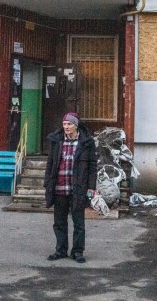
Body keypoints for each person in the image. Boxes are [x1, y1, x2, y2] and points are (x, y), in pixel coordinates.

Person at [44, 112, 97, 263]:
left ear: (76, 125)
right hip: (59, 188)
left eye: (69, 124)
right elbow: (50, 163)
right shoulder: (57, 141)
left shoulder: (86, 142)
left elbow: (93, 166)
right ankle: (60, 250)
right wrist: (48, 183)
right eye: (64, 124)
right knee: (59, 222)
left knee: (79, 223)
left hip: (78, 189)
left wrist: (91, 187)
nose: (66, 127)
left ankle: (77, 252)